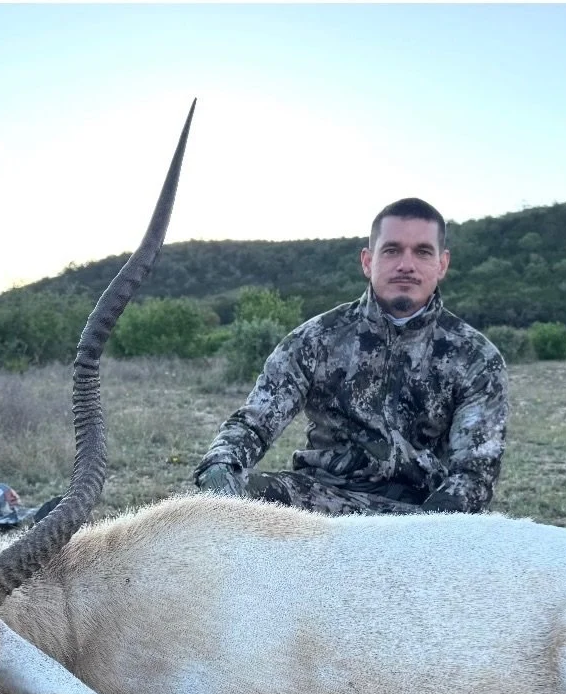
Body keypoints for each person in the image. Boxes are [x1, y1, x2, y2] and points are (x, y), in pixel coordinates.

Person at [192, 198, 509, 515]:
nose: (406, 265)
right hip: (316, 506)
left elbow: (474, 474)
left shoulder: (477, 358)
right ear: (368, 261)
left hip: (420, 514)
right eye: (392, 250)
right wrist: (220, 465)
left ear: (442, 264)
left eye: (422, 252)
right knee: (230, 497)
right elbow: (253, 424)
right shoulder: (315, 339)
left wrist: (425, 535)